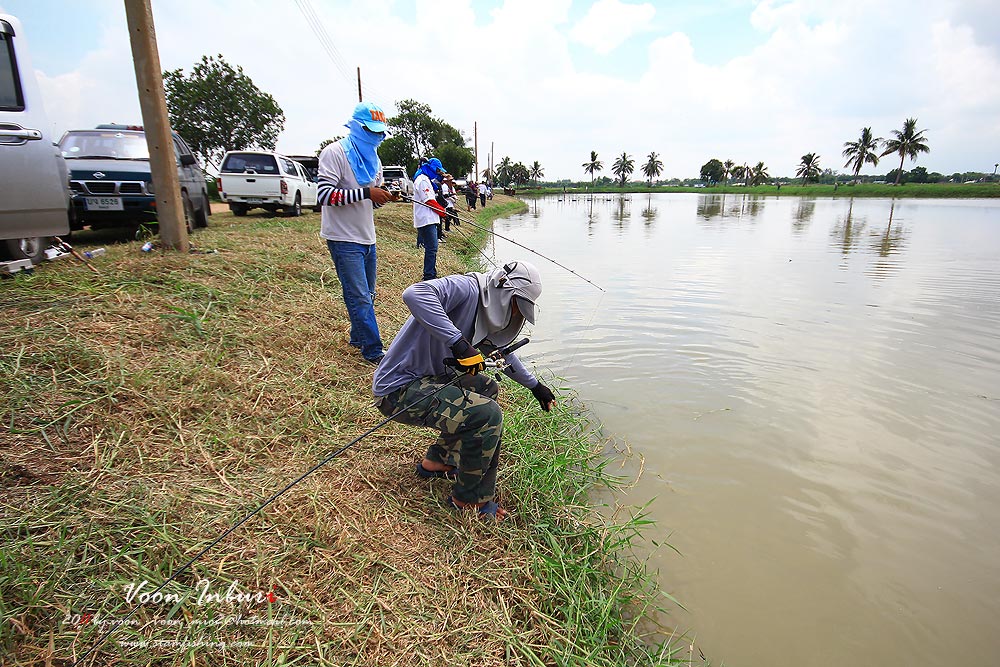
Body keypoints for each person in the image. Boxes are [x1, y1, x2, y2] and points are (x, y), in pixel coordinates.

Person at [372, 261, 557, 520]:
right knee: (487, 414)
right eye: (516, 306)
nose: (516, 315)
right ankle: (469, 500)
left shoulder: (485, 313)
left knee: (486, 387)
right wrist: (458, 344)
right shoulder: (469, 289)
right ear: (504, 290)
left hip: (430, 379)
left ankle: (439, 460)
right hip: (398, 390)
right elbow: (415, 294)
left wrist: (536, 386)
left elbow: (500, 353)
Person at [317, 102, 396, 364]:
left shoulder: (374, 158)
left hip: (367, 236)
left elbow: (370, 201)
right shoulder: (334, 153)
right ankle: (374, 350)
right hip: (342, 238)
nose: (376, 137)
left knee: (367, 294)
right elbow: (324, 195)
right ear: (356, 126)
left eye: (380, 132)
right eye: (371, 131)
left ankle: (357, 336)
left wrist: (381, 197)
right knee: (359, 296)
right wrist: (366, 193)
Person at [412, 157, 447, 281]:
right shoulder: (422, 180)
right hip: (425, 219)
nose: (438, 173)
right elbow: (429, 201)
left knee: (432, 248)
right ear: (432, 168)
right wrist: (442, 211)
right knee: (431, 248)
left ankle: (431, 272)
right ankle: (429, 276)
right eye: (437, 171)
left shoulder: (427, 179)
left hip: (430, 218)